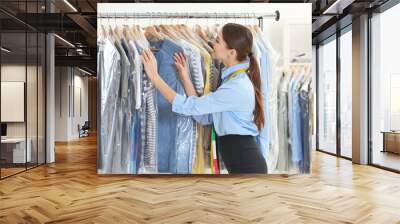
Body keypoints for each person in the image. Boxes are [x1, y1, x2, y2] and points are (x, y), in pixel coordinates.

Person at [140, 23, 268, 174]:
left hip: (247, 166)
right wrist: (185, 77)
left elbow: (188, 106)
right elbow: (203, 116)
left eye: (218, 41)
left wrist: (155, 77)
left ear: (231, 52)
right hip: (241, 163)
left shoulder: (236, 87)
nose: (212, 43)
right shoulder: (232, 79)